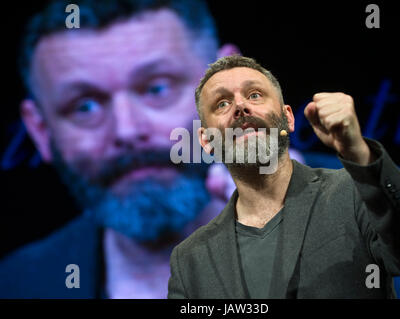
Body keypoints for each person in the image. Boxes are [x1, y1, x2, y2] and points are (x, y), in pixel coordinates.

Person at [0, 0, 240, 298]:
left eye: (157, 89)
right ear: (40, 130)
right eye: (84, 106)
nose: (126, 131)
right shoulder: (19, 285)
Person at [167, 55, 400, 298]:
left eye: (254, 95)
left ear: (288, 118)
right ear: (206, 141)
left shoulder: (355, 195)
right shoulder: (190, 259)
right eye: (222, 103)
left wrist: (358, 152)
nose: (241, 107)